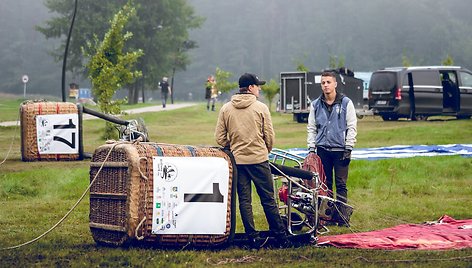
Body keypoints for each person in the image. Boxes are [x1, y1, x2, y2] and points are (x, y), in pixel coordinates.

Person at [215, 73, 291, 248]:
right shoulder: (261, 108)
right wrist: (265, 150)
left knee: (245, 201)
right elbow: (269, 136)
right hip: (259, 160)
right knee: (268, 200)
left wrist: (232, 146)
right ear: (250, 88)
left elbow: (219, 137)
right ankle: (281, 238)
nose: (260, 89)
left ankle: (253, 238)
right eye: (258, 86)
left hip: (238, 162)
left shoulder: (226, 108)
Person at [307, 71, 357, 225]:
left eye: (328, 82)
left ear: (335, 84)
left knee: (341, 184)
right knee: (325, 184)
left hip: (341, 150)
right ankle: (328, 216)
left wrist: (348, 147)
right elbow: (311, 128)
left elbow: (352, 126)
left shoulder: (346, 103)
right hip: (322, 149)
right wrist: (311, 148)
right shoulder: (315, 104)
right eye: (323, 83)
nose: (326, 85)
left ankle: (342, 217)